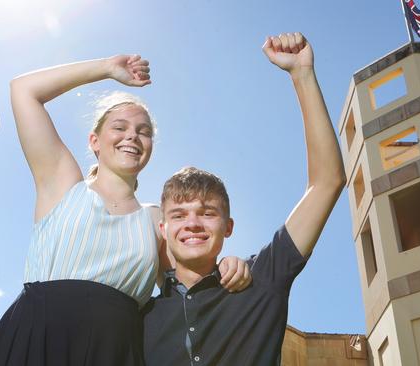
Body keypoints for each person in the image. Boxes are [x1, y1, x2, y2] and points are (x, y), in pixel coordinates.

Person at [0, 55, 252, 365]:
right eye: (120, 127)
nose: (132, 136)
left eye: (143, 131)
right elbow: (23, 89)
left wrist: (229, 266)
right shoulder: (62, 183)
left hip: (116, 349)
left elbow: (191, 282)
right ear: (95, 141)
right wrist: (107, 69)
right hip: (39, 337)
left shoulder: (155, 221)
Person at [142, 32, 346, 365]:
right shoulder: (138, 317)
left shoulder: (263, 278)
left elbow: (327, 182)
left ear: (229, 226)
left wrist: (302, 75)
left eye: (207, 213)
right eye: (179, 215)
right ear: (163, 228)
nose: (192, 223)